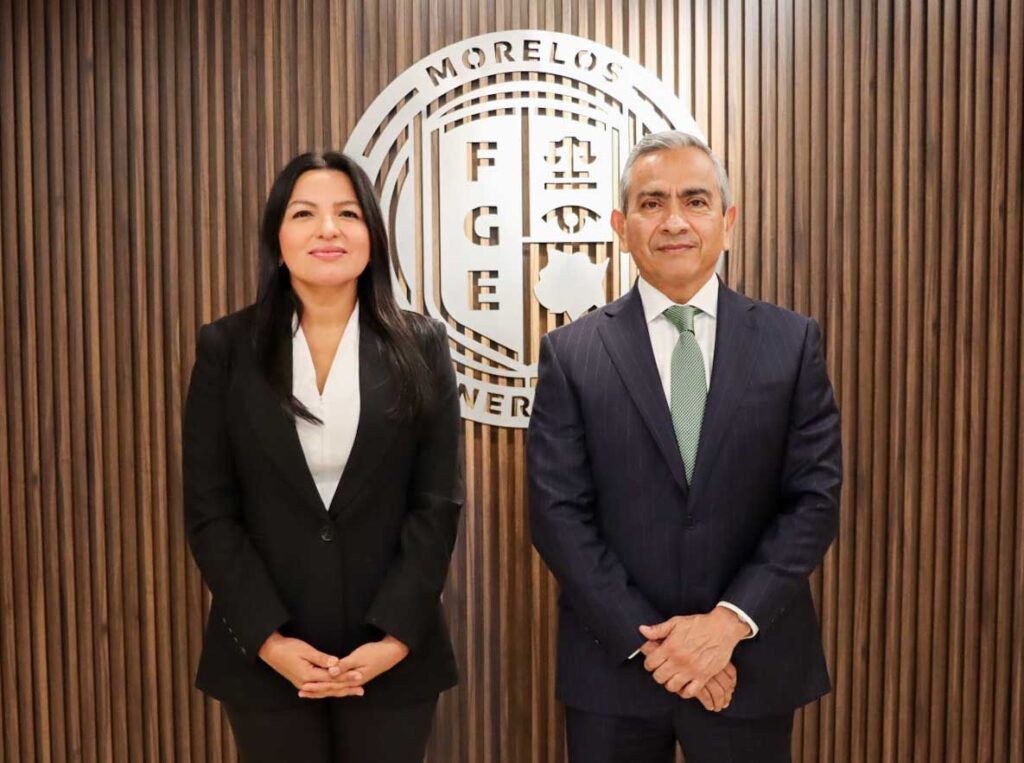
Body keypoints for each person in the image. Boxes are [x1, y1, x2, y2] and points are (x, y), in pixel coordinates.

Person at [527, 130, 841, 762]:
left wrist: (726, 625)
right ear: (621, 227)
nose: (674, 221)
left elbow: (815, 499)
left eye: (695, 201)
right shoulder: (572, 353)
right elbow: (558, 515)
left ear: (728, 221)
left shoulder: (790, 342)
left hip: (748, 663)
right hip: (615, 667)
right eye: (652, 203)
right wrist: (657, 646)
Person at [183, 151, 463, 763]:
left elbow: (437, 504)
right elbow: (210, 511)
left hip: (391, 654)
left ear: (373, 237)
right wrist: (269, 640)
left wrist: (394, 638)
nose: (328, 229)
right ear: (277, 238)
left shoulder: (422, 344)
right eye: (305, 213)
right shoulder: (227, 347)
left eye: (348, 214)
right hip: (265, 654)